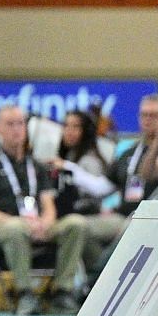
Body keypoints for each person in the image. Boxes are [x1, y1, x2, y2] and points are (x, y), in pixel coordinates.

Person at [0, 105, 88, 314]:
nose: (16, 129)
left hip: (36, 224)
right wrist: (24, 223)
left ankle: (62, 291)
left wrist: (44, 223)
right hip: (1, 226)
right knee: (16, 228)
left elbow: (48, 206)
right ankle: (25, 292)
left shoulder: (36, 166)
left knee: (76, 224)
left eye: (20, 124)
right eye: (10, 124)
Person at [52, 108, 124, 277]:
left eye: (76, 127)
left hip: (96, 215)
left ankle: (101, 276)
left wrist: (68, 168)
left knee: (77, 229)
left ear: (86, 131)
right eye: (66, 126)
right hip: (78, 216)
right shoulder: (69, 156)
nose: (69, 132)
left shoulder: (89, 160)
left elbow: (98, 190)